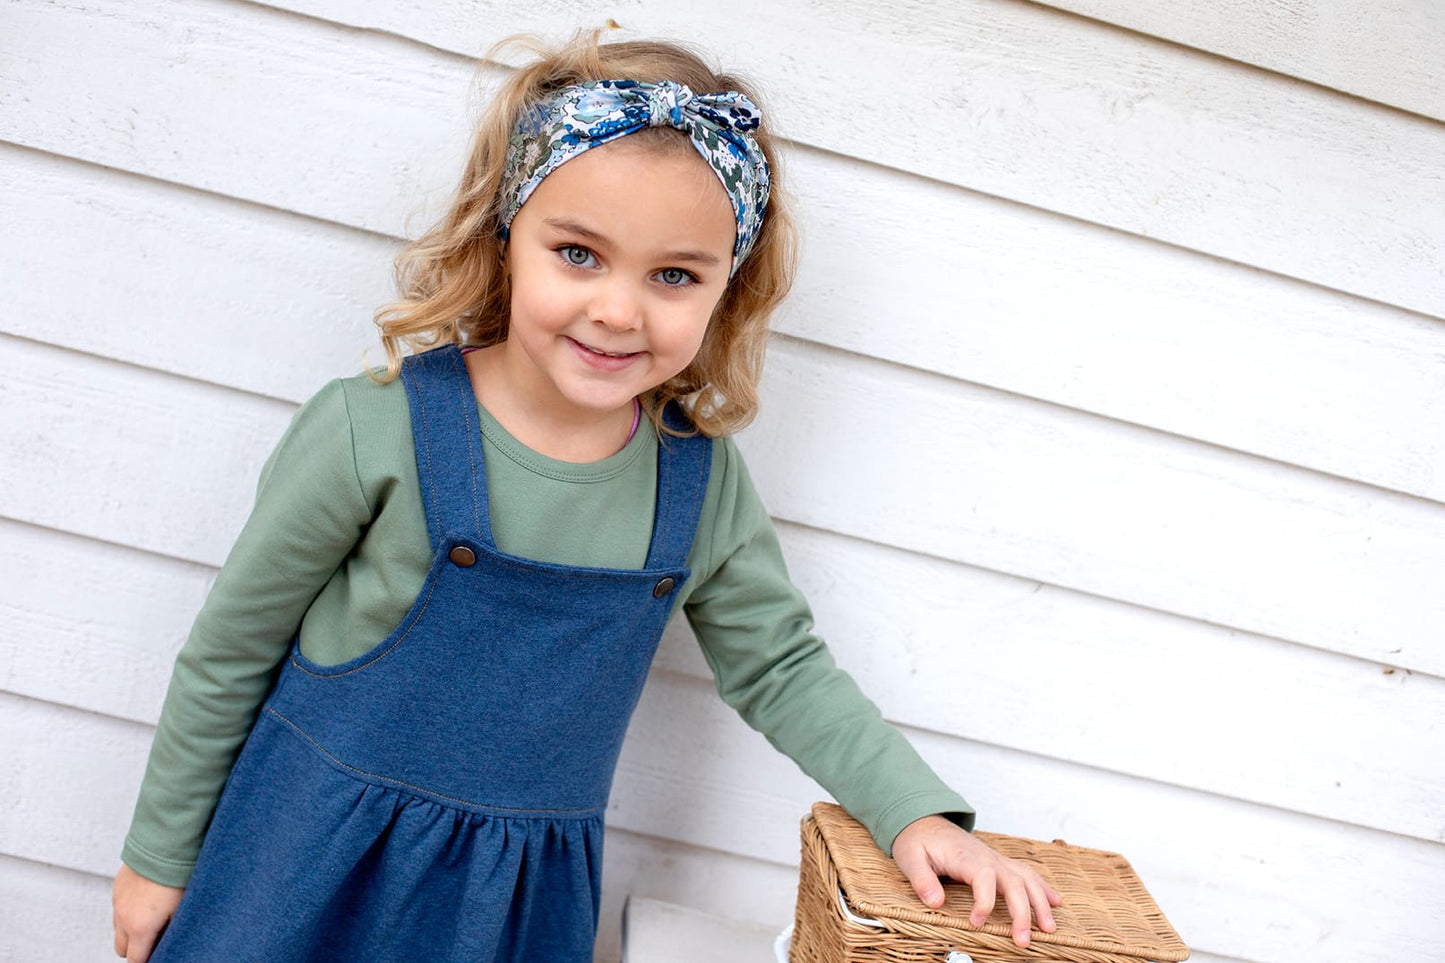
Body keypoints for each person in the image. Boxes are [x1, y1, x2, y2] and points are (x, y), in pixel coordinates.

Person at [111, 30, 1061, 963]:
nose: (618, 308)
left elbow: (781, 665)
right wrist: (158, 858)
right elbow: (229, 653)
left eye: (675, 275)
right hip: (299, 865)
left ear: (725, 291)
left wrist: (914, 811)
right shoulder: (376, 428)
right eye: (578, 254)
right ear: (506, 233)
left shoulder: (694, 480)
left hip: (512, 906)